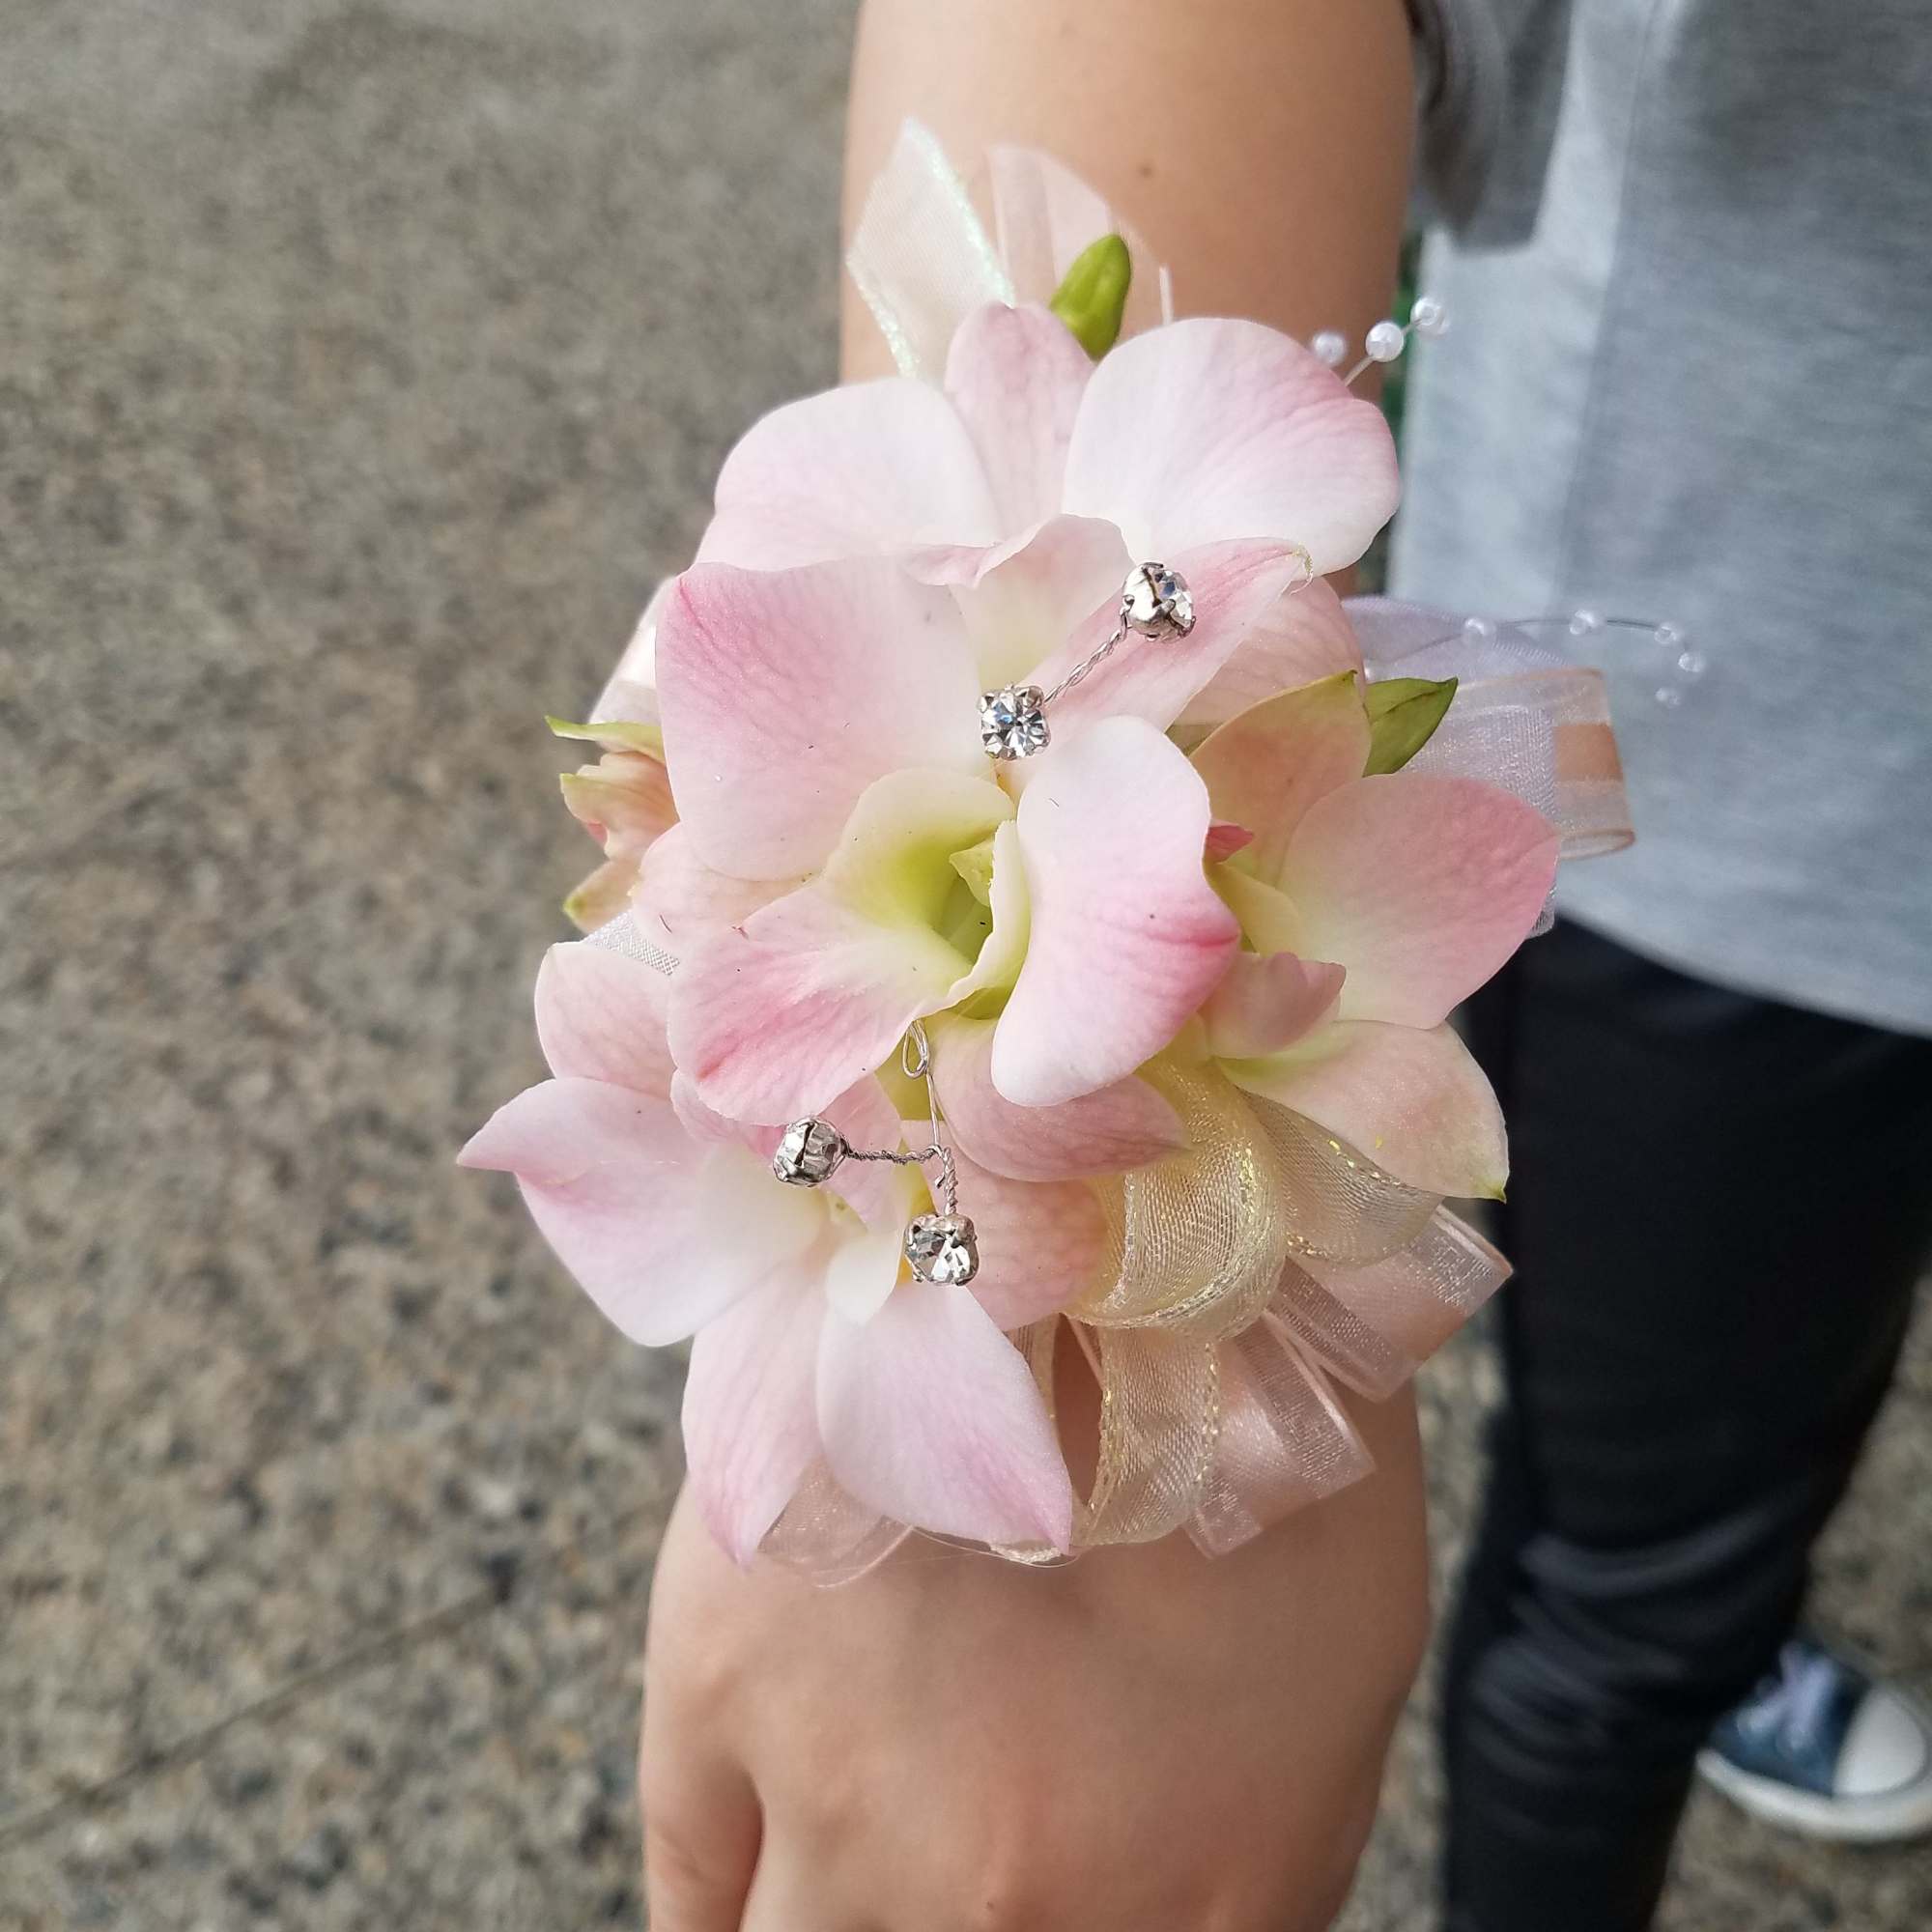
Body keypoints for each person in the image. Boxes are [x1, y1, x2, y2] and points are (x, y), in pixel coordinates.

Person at [637, 3, 1932, 1927]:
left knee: (1718, 1488)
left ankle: (1713, 1632)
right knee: (1643, 1553)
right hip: (1768, 819)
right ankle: (1655, 1649)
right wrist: (1096, 1498)